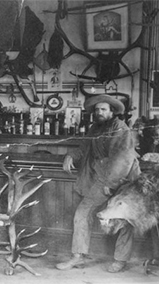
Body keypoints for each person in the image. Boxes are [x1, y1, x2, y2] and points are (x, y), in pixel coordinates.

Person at [56, 95, 141, 273]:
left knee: (124, 218)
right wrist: (71, 156)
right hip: (103, 177)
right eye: (97, 110)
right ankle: (78, 257)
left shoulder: (120, 128)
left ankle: (120, 260)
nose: (99, 112)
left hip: (124, 179)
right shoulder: (95, 128)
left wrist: (110, 184)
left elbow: (123, 160)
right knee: (82, 212)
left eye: (103, 109)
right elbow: (85, 147)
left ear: (112, 111)